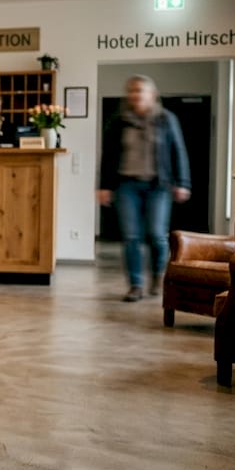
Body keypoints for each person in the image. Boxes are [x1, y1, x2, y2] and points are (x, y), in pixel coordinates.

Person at [97, 75, 191, 302]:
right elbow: (108, 155)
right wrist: (104, 186)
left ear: (152, 94)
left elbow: (178, 151)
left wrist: (183, 182)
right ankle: (136, 285)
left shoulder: (166, 119)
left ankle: (157, 275)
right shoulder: (119, 120)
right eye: (132, 91)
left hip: (158, 185)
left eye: (140, 90)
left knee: (157, 235)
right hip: (126, 185)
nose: (135, 95)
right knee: (131, 237)